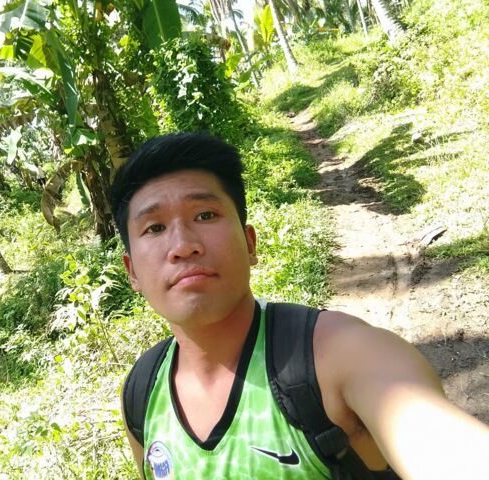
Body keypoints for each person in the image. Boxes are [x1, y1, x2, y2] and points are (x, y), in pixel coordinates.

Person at [109, 132, 489, 479]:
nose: (182, 246)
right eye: (154, 228)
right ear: (132, 272)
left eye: (205, 215)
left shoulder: (340, 355)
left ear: (250, 244)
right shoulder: (142, 395)